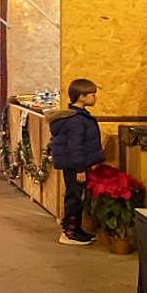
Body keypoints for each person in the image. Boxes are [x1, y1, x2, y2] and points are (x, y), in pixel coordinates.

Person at [48, 79, 103, 246]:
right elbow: (75, 148)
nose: (95, 98)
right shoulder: (76, 121)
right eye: (92, 95)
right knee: (75, 197)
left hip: (79, 165)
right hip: (75, 166)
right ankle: (69, 232)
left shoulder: (79, 117)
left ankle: (76, 229)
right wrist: (80, 168)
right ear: (81, 97)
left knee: (78, 197)